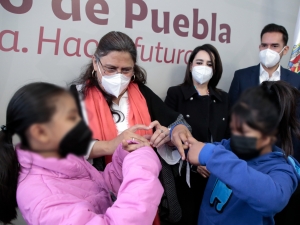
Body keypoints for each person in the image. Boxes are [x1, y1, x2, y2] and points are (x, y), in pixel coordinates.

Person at [0, 82, 166, 225]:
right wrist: (143, 167)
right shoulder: (43, 200)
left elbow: (101, 189)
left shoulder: (63, 158)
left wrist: (125, 154)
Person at [71, 31, 191, 223]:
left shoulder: (141, 92)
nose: (118, 76)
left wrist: (173, 132)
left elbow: (178, 122)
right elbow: (67, 145)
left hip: (144, 191)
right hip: (99, 191)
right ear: (95, 63)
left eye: (126, 70)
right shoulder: (77, 96)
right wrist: (113, 144)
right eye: (110, 68)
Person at [187, 81, 300, 225]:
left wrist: (212, 156)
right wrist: (174, 133)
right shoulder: (229, 145)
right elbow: (196, 149)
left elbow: (274, 199)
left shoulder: (281, 168)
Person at [228, 23, 300, 224]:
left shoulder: (296, 81)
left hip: (282, 161)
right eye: (263, 45)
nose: (268, 50)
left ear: (285, 50)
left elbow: (296, 125)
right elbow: (232, 120)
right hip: (247, 161)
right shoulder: (242, 77)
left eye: (274, 46)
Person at [164, 44, 229, 224]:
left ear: (215, 69)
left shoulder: (224, 98)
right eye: (199, 62)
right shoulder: (176, 93)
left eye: (209, 64)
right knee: (188, 218)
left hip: (217, 174)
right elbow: (168, 134)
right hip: (186, 174)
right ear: (191, 65)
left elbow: (229, 137)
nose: (204, 67)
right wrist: (194, 164)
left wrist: (215, 162)